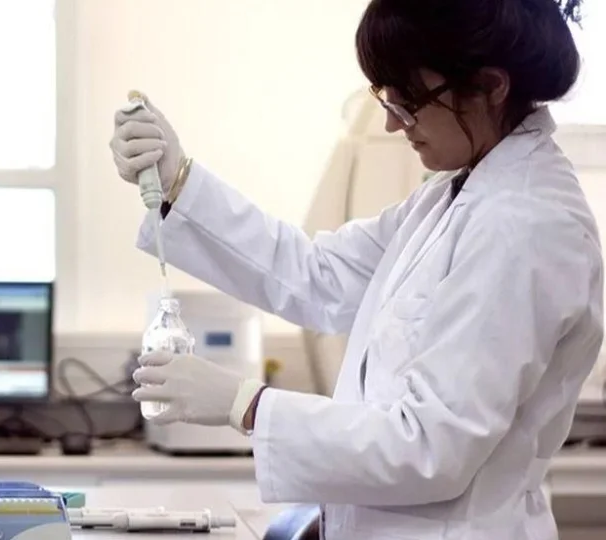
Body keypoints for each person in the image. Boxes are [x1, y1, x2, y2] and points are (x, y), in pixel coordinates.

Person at [109, 0, 603, 538]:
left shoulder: (526, 225)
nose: (392, 123)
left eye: (408, 100)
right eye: (386, 96)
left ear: (490, 85)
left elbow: (430, 446)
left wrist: (246, 405)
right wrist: (178, 182)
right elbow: (316, 275)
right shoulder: (454, 196)